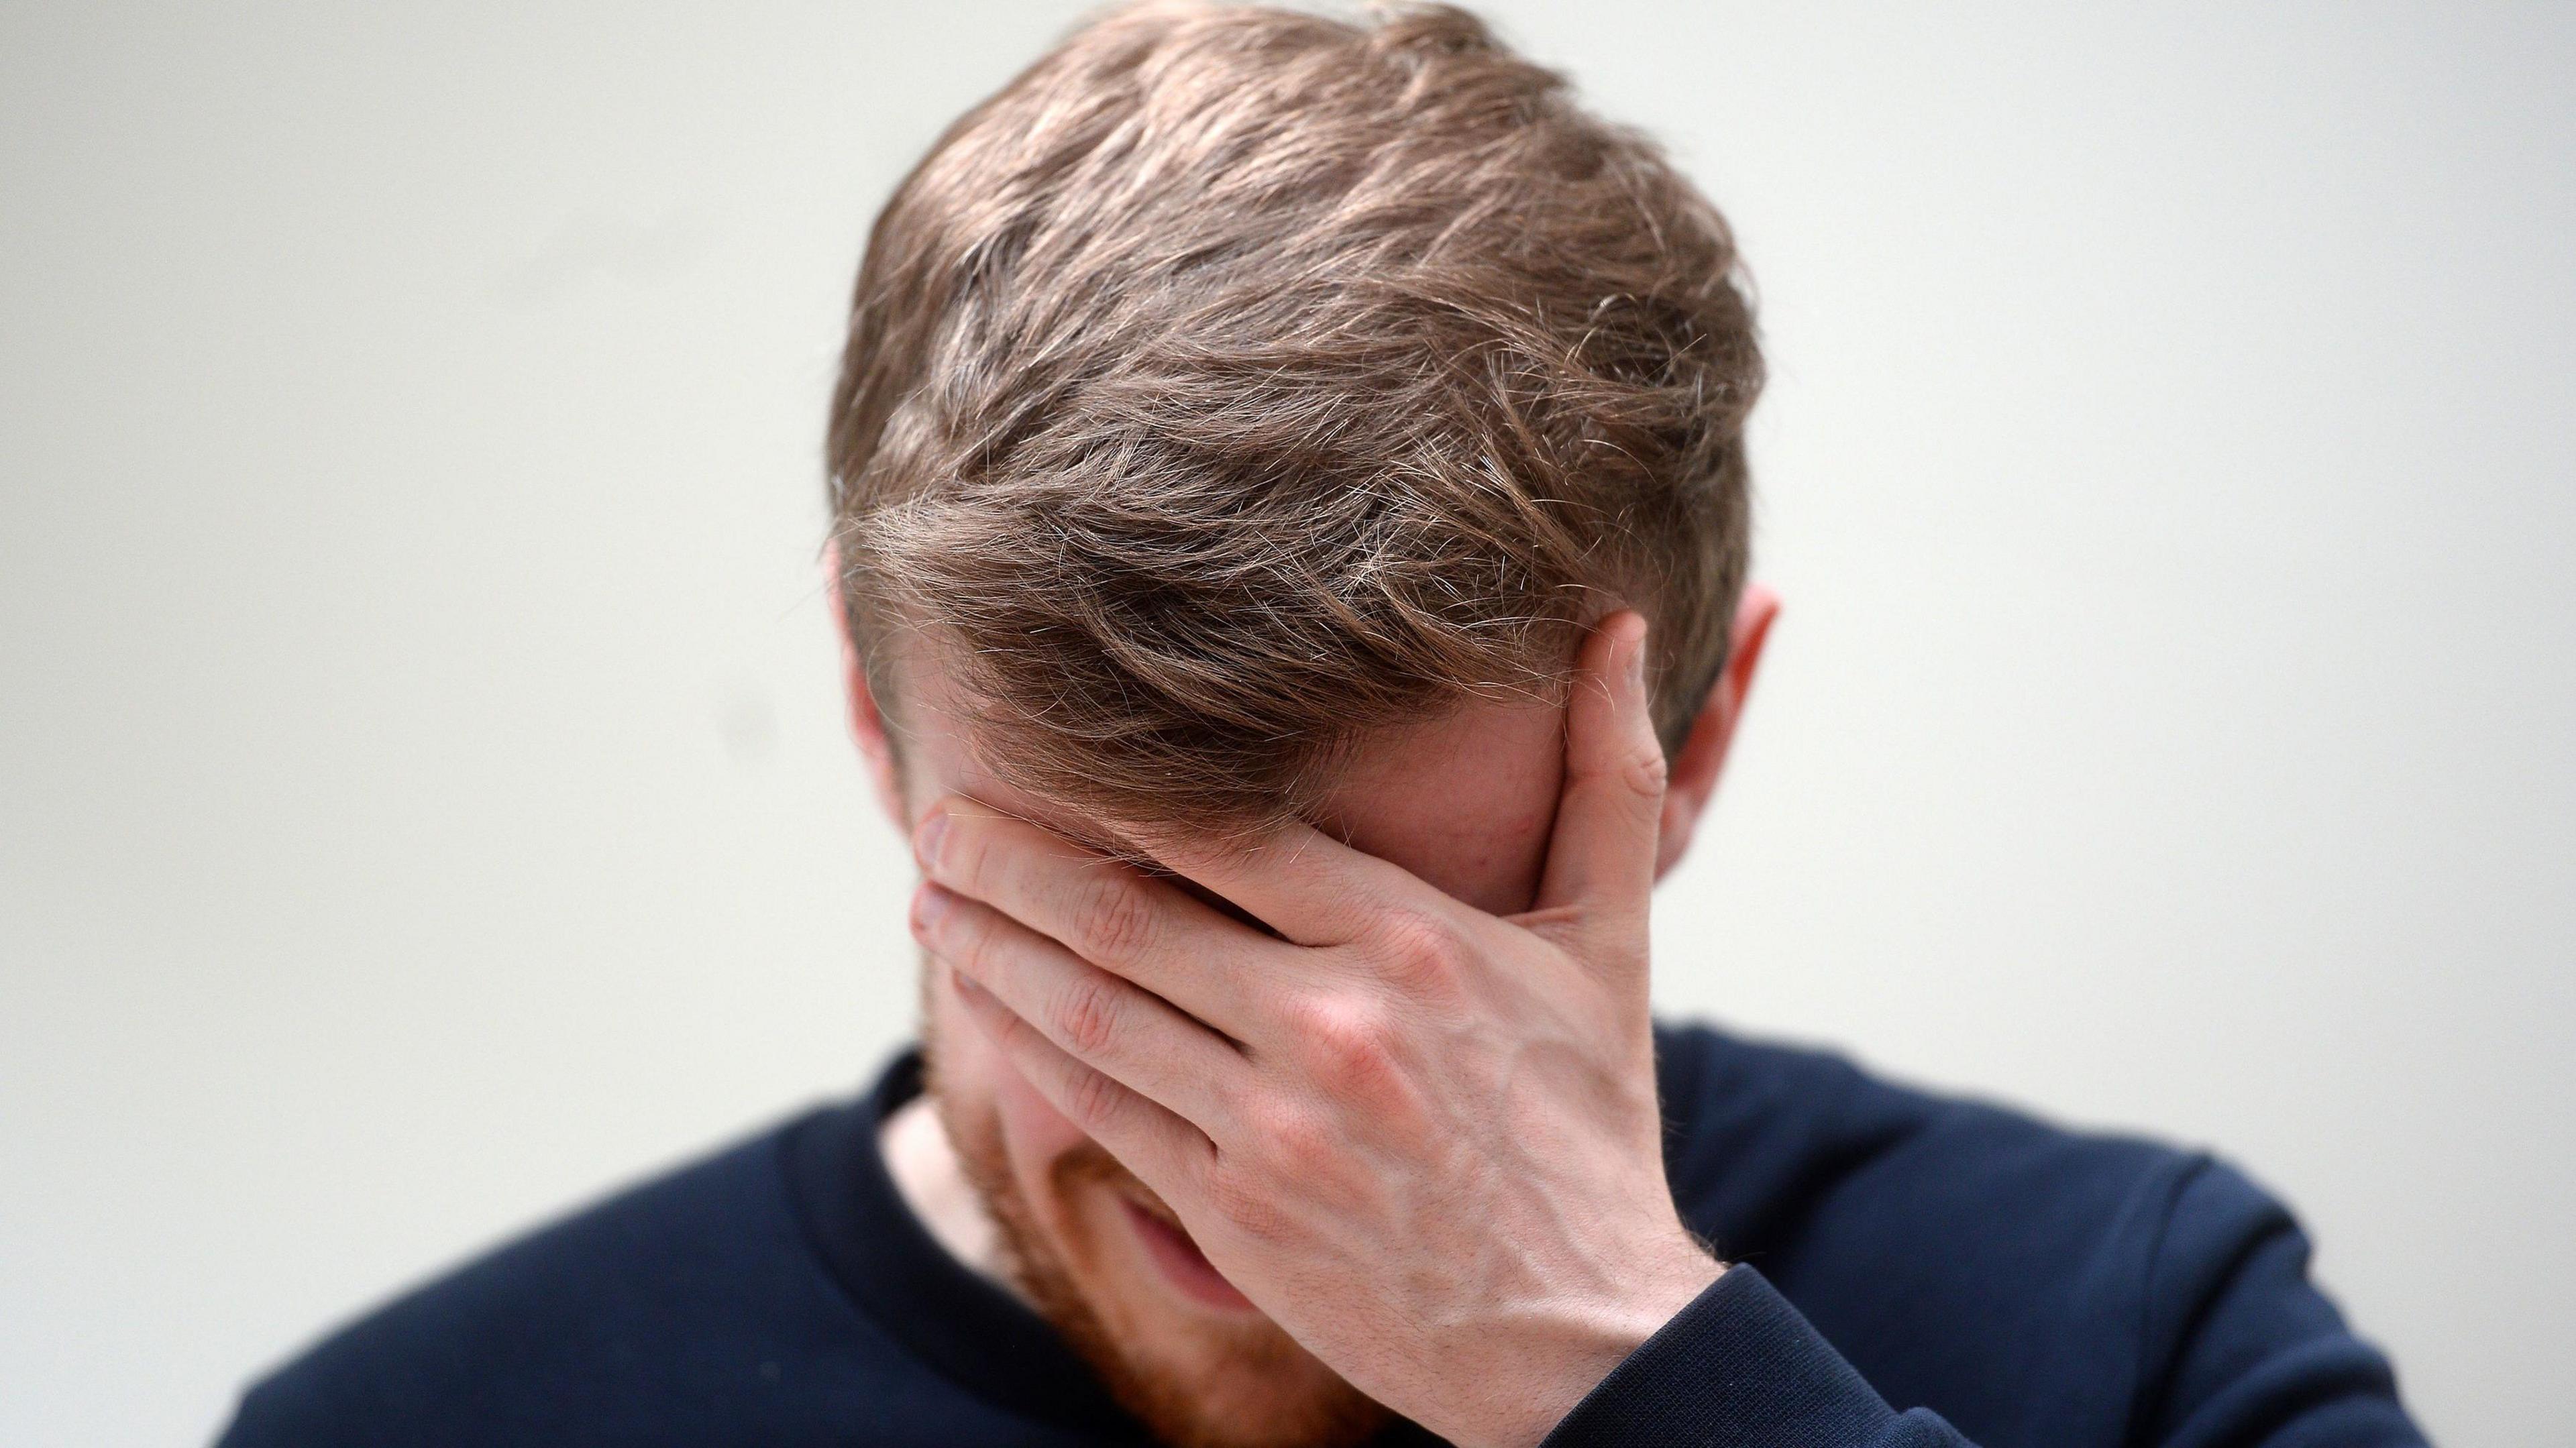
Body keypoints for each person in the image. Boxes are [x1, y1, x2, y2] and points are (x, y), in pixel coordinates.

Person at [216, 5, 2428, 1445]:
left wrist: (1639, 1373)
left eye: (1411, 944)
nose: (1289, 1125)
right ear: (881, 739)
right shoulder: (420, 1425)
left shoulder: (2129, 1330)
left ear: (1704, 741)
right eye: (1118, 930)